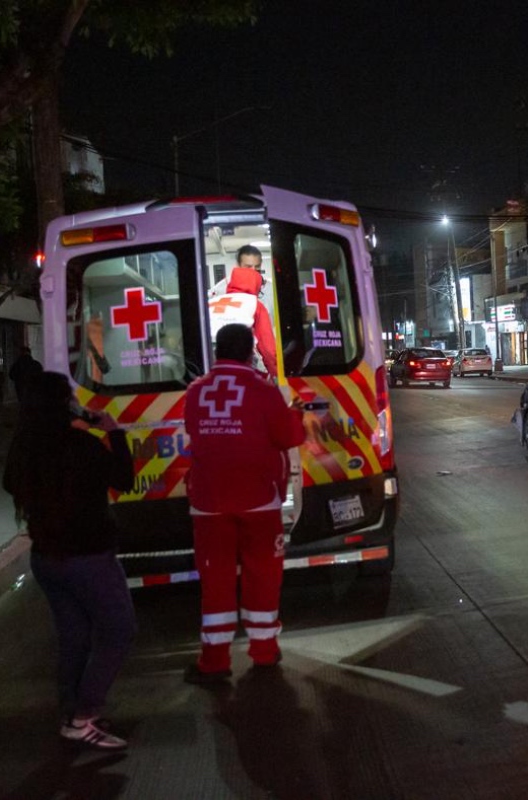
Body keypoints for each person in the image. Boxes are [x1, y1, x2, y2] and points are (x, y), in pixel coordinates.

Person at [2, 371, 136, 750]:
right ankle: (84, 714)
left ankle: (70, 714)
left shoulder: (25, 445)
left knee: (74, 637)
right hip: (88, 556)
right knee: (119, 630)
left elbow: (10, 483)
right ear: (65, 404)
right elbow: (124, 479)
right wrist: (113, 432)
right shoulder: (80, 444)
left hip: (46, 557)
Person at [184, 323, 306, 682]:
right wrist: (295, 411)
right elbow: (288, 437)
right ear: (250, 351)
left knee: (215, 581)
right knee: (263, 575)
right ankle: (264, 652)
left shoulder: (196, 391)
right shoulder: (264, 391)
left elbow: (195, 434)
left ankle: (214, 662)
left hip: (209, 502)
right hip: (258, 501)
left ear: (217, 350)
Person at [207, 245, 279, 379]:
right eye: (248, 267)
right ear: (238, 265)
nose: (253, 272)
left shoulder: (272, 289)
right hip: (243, 360)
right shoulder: (218, 291)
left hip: (214, 366)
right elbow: (268, 349)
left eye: (257, 268)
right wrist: (276, 373)